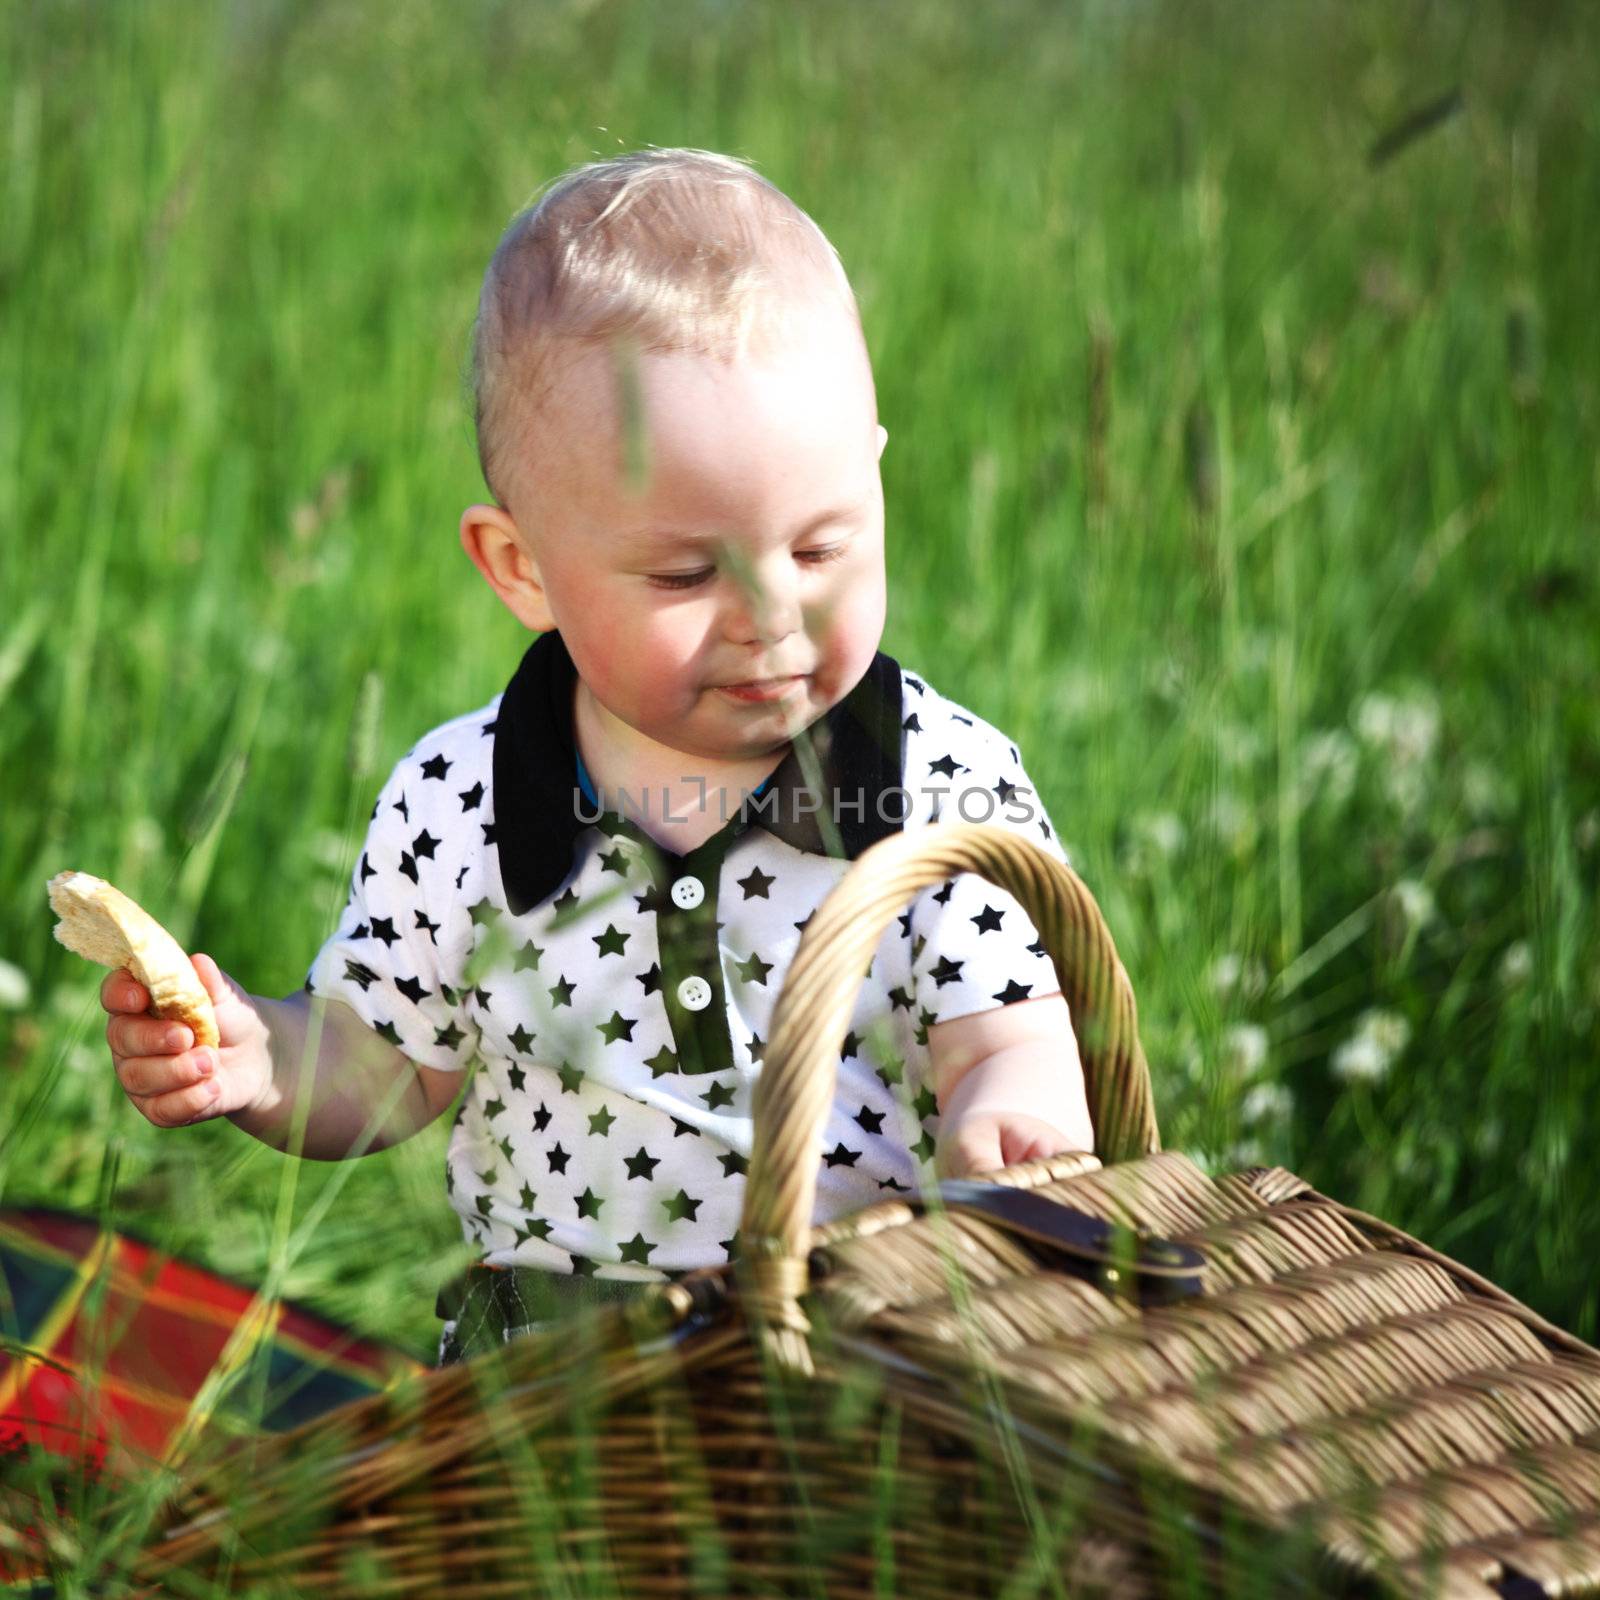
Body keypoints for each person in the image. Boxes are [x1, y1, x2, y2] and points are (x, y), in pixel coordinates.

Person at [99, 148, 1093, 1364]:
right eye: (686, 574)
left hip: (859, 1344)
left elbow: (1009, 1032)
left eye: (824, 548)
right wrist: (258, 1057)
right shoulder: (462, 801)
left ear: (876, 479)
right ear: (522, 569)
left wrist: (1015, 1121)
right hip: (550, 1364)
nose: (771, 614)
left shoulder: (936, 784)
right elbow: (382, 1065)